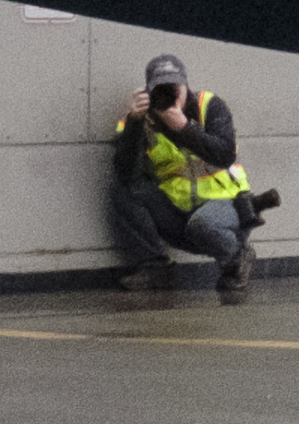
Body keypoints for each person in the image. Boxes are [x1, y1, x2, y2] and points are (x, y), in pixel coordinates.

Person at [109, 55, 274, 300]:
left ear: (186, 86)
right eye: (161, 89)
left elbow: (225, 154)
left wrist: (185, 127)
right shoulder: (141, 119)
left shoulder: (210, 105)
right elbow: (124, 169)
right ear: (148, 91)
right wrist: (134, 122)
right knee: (124, 189)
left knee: (203, 223)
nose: (171, 95)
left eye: (175, 88)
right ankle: (156, 267)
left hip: (224, 204)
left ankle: (237, 258)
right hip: (178, 210)